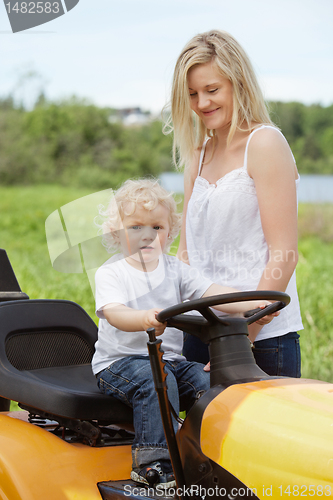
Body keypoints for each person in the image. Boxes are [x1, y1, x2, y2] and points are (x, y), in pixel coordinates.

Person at [92, 178, 276, 489]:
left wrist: (253, 301)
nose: (147, 236)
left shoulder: (176, 269)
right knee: (155, 380)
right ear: (116, 231)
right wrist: (142, 318)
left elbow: (214, 292)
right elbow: (114, 313)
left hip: (169, 360)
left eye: (157, 228)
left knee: (212, 383)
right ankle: (154, 465)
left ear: (170, 231)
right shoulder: (112, 272)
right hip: (119, 364)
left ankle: (209, 454)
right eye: (136, 227)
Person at [166, 29, 303, 377]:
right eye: (193, 94)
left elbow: (283, 253)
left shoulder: (265, 143)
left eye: (212, 90)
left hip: (261, 339)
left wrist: (243, 340)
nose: (202, 103)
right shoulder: (197, 154)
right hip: (200, 331)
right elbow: (186, 254)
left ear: (238, 83)